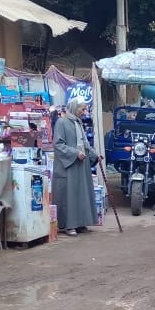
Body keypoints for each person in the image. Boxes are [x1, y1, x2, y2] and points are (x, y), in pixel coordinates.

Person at [52, 96, 99, 235]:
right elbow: (58, 144)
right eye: (82, 109)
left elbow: (85, 144)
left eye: (85, 109)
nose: (84, 112)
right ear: (74, 108)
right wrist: (75, 153)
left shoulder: (78, 123)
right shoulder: (62, 122)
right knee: (69, 195)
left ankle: (80, 223)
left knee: (81, 193)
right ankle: (68, 225)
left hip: (80, 165)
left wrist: (95, 155)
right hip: (68, 165)